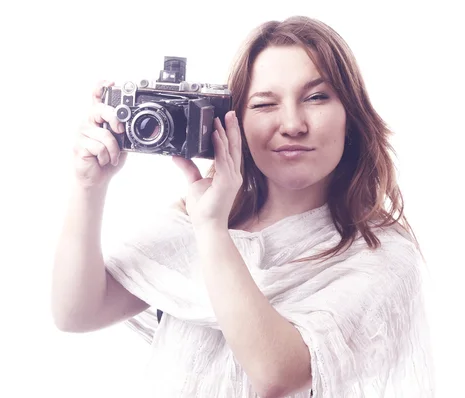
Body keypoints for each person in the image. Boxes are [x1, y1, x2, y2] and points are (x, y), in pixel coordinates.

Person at [51, 15, 435, 398]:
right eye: (265, 104)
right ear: (234, 122)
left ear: (350, 115)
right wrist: (89, 186)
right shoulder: (195, 220)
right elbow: (75, 312)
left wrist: (213, 231)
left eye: (316, 97)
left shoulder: (382, 256)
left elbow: (277, 374)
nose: (292, 124)